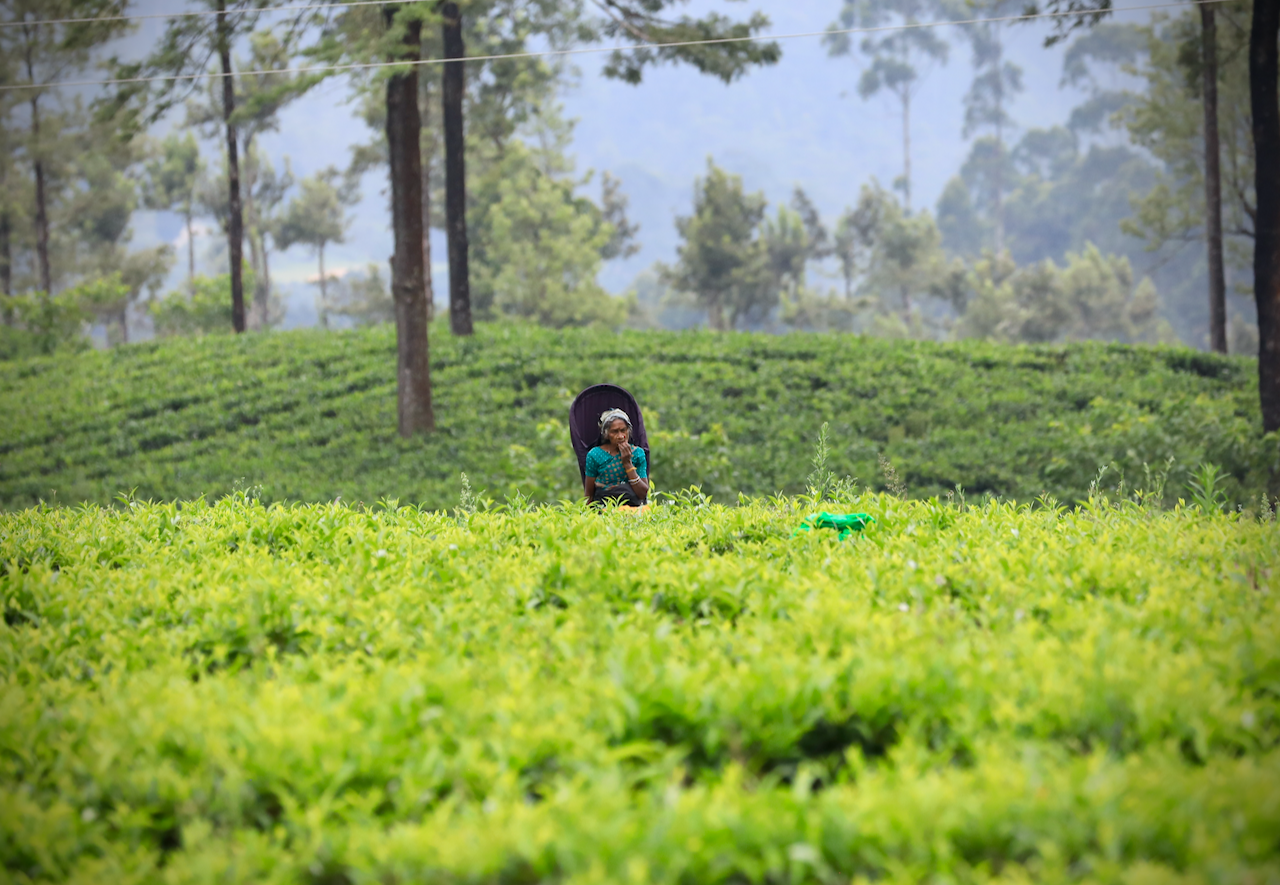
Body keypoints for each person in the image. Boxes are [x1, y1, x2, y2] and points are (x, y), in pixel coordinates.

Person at [584, 408, 649, 507]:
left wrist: (628, 464)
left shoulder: (637, 453)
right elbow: (589, 494)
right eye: (614, 432)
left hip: (632, 508)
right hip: (605, 509)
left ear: (628, 430)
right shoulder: (595, 455)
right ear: (606, 434)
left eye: (623, 430)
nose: (621, 436)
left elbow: (642, 493)